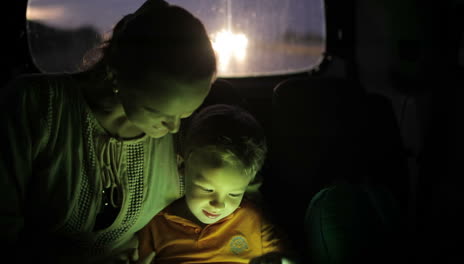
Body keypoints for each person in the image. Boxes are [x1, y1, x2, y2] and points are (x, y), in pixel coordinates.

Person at [0, 0, 216, 263]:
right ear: (116, 77)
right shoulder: (35, 106)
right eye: (157, 111)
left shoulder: (181, 138)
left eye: (185, 114)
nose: (174, 127)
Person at [137, 104, 289, 264]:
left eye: (234, 194)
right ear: (183, 166)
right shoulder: (155, 224)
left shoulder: (253, 219)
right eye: (208, 189)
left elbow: (285, 258)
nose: (218, 204)